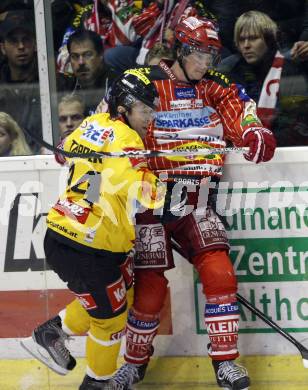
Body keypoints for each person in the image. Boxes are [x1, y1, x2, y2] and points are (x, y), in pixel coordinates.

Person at [111, 16, 276, 390]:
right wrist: (84, 144)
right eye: (198, 55)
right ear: (180, 50)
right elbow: (111, 119)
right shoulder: (144, 81)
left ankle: (225, 362)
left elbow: (241, 111)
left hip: (197, 195)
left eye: (211, 56)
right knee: (150, 289)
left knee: (220, 274)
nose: (205, 64)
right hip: (150, 197)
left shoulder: (216, 86)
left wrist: (255, 131)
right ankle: (133, 364)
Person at [20, 68, 167, 390]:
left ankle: (52, 331)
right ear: (124, 108)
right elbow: (147, 195)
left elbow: (63, 153)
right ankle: (97, 384)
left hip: (65, 235)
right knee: (111, 320)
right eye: (145, 109)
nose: (150, 117)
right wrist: (163, 176)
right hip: (87, 246)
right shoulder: (128, 140)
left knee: (115, 294)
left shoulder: (91, 124)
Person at [218, 11, 308, 146]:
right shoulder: (229, 72)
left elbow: (299, 126)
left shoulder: (289, 71)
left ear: (269, 40)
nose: (246, 45)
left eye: (253, 38)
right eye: (242, 40)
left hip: (280, 151)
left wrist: (261, 143)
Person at [0, 9, 42, 153]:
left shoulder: (52, 82)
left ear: (36, 44)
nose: (21, 46)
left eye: (26, 39)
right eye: (13, 41)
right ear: (3, 48)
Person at [57, 29, 116, 116]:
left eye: (87, 55)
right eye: (75, 56)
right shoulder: (66, 88)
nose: (81, 62)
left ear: (101, 55)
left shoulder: (116, 86)